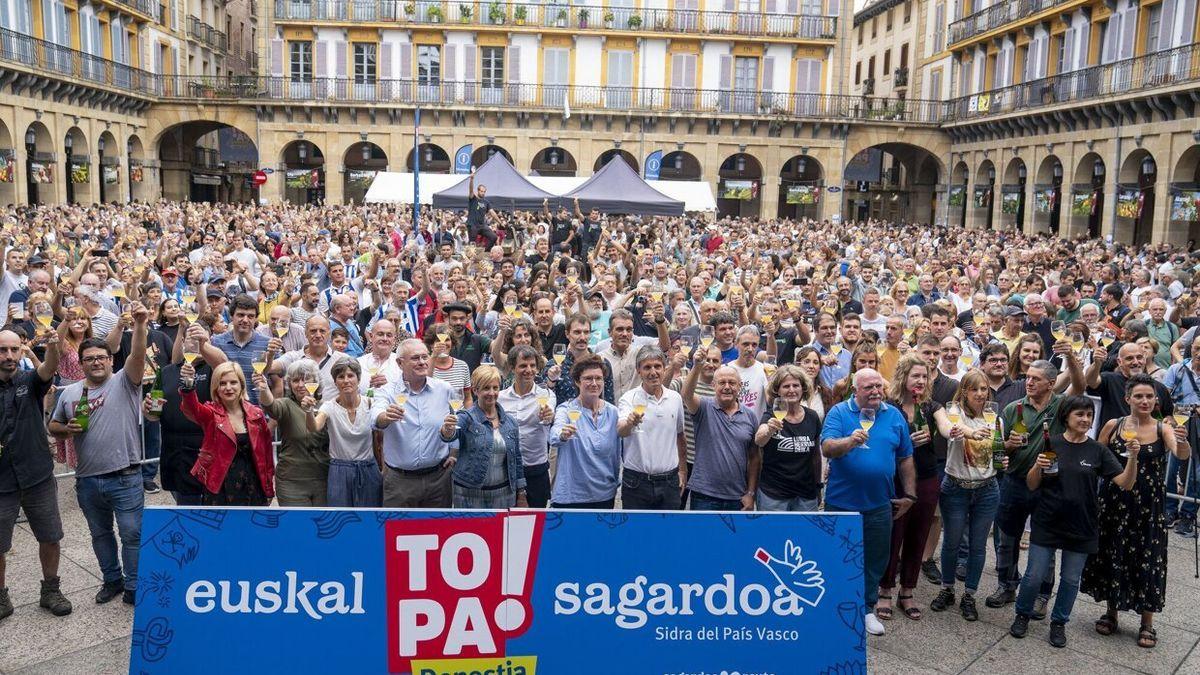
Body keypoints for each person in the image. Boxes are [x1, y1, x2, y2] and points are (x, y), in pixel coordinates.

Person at [1009, 396, 1139, 649]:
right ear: (1066, 417)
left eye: (1089, 415)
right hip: (1047, 521)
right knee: (1034, 575)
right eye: (1079, 414)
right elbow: (1033, 483)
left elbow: (1126, 483)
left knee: (1070, 580)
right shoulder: (1051, 443)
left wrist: (1133, 458)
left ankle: (1059, 623)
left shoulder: (1098, 450)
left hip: (1082, 525)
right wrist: (1037, 465)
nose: (1085, 419)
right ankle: (1022, 614)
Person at [48, 302, 150, 605]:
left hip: (126, 475)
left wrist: (141, 325)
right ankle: (111, 580)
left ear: (111, 360)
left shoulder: (124, 381)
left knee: (132, 534)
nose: (96, 363)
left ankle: (133, 584)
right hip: (88, 479)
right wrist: (65, 429)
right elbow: (53, 424)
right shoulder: (69, 393)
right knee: (100, 535)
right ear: (81, 362)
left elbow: (139, 354)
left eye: (102, 358)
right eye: (89, 358)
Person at [1082, 375, 1190, 648]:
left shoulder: (1162, 428)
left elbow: (1181, 454)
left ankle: (1147, 622)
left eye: (1149, 396)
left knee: (1148, 557)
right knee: (1112, 551)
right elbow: (1097, 455)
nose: (1144, 401)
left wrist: (1183, 440)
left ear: (1156, 400)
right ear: (1127, 399)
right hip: (1114, 500)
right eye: (1139, 396)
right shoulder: (1113, 425)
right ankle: (1111, 611)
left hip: (1148, 505)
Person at [821, 368, 916, 637]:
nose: (875, 391)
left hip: (878, 504)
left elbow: (905, 457)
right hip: (841, 503)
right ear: (855, 390)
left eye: (878, 386)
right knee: (837, 557)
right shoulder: (839, 412)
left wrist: (910, 495)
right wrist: (850, 442)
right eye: (868, 387)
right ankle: (833, 606)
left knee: (875, 560)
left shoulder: (894, 415)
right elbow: (827, 447)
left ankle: (866, 609)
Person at [0, 328, 72, 621]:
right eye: (3, 350)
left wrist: (53, 344)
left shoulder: (30, 381)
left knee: (50, 536)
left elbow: (49, 367)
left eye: (14, 350)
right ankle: (1, 596)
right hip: (1, 482)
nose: (9, 356)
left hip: (37, 474)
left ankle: (50, 590)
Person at [878, 356, 955, 622]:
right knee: (893, 536)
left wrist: (949, 430)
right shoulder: (889, 407)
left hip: (927, 478)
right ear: (903, 378)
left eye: (925, 376)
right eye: (916, 376)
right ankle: (885, 589)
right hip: (896, 479)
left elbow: (945, 425)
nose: (921, 381)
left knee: (918, 535)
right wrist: (902, 440)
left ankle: (907, 590)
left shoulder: (931, 407)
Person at [930, 369, 1002, 622]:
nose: (980, 394)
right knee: (951, 542)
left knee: (978, 546)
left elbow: (998, 452)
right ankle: (947, 588)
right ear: (964, 392)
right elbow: (949, 429)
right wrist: (970, 433)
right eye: (974, 389)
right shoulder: (954, 413)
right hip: (956, 487)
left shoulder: (995, 419)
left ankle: (969, 594)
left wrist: (1004, 455)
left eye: (984, 389)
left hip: (987, 489)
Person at [372, 338, 459, 508]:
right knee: (398, 532)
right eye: (415, 358)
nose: (422, 362)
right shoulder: (387, 392)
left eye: (425, 357)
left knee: (437, 531)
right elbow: (375, 419)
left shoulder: (444, 389)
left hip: (438, 480)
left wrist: (454, 451)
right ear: (399, 363)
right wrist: (385, 417)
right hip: (400, 482)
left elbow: (454, 419)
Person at [180, 361, 274, 507]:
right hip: (219, 487)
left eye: (233, 382)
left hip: (253, 485)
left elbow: (267, 454)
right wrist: (188, 384)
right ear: (216, 388)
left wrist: (268, 489)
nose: (228, 388)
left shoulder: (256, 414)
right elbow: (191, 409)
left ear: (242, 385)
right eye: (222, 383)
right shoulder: (210, 413)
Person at [304, 359, 381, 507]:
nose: (346, 380)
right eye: (341, 377)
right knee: (341, 520)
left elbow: (380, 439)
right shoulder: (329, 406)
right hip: (339, 470)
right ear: (335, 382)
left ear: (358, 379)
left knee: (369, 520)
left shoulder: (371, 403)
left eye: (350, 376)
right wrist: (308, 411)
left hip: (368, 469)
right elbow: (314, 427)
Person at [618, 346, 686, 510]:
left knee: (668, 532)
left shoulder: (675, 398)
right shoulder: (628, 398)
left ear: (664, 369)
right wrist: (630, 422)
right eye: (647, 367)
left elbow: (680, 436)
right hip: (636, 482)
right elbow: (621, 431)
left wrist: (683, 471)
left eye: (657, 366)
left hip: (670, 481)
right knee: (635, 533)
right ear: (638, 371)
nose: (653, 372)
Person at [449, 365, 527, 508]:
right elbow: (450, 435)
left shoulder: (510, 422)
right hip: (468, 495)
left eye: (495, 388)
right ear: (475, 390)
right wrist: (447, 429)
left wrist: (521, 493)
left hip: (504, 495)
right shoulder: (466, 417)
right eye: (486, 388)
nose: (491, 393)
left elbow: (516, 459)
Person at [549, 354, 621, 509]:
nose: (594, 383)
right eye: (588, 378)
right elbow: (554, 436)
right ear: (577, 381)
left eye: (598, 378)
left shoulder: (613, 412)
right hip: (570, 497)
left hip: (604, 494)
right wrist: (563, 434)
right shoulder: (566, 409)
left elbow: (617, 453)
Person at [255, 361, 330, 506]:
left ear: (316, 382)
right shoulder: (286, 404)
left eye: (306, 379)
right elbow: (271, 405)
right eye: (296, 380)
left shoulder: (326, 406)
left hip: (323, 479)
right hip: (292, 481)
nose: (301, 384)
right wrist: (264, 389)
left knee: (321, 527)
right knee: (298, 527)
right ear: (289, 384)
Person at [753, 364, 823, 511]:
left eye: (795, 385)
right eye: (786, 386)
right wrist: (769, 430)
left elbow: (816, 456)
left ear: (803, 388)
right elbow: (759, 440)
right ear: (777, 390)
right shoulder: (771, 415)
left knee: (804, 534)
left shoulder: (812, 417)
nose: (791, 390)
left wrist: (818, 486)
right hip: (774, 495)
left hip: (805, 495)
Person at [498, 345, 556, 507]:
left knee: (535, 524)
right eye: (523, 365)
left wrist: (547, 416)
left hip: (536, 469)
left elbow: (548, 416)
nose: (529, 370)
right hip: (506, 469)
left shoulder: (546, 395)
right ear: (512, 367)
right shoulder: (500, 398)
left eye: (532, 365)